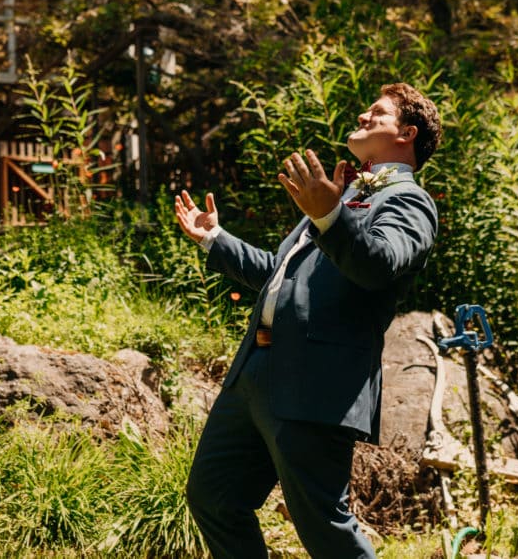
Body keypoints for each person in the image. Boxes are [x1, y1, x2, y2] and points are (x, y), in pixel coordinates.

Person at [176, 83, 441, 558]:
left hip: (318, 382)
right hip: (254, 373)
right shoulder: (342, 192)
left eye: (375, 113)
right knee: (213, 497)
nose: (361, 116)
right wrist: (214, 239)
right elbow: (279, 275)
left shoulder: (410, 201)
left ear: (407, 133)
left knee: (322, 525)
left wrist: (332, 215)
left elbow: (377, 265)